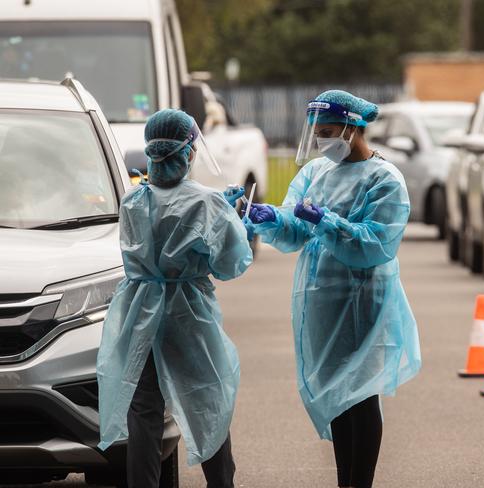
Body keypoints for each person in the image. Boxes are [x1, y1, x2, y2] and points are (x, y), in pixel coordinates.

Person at [245, 90, 421, 488]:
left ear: (352, 128)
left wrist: (326, 220)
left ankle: (361, 482)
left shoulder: (384, 179)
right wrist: (268, 217)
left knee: (361, 393)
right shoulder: (314, 173)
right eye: (318, 133)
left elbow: (375, 245)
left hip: (363, 297)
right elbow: (295, 230)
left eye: (328, 132)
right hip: (320, 297)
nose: (323, 141)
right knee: (337, 395)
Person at [96, 109, 252, 487]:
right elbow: (231, 264)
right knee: (207, 403)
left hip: (140, 313)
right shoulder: (206, 204)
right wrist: (232, 219)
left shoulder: (133, 200)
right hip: (188, 315)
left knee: (144, 412)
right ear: (189, 152)